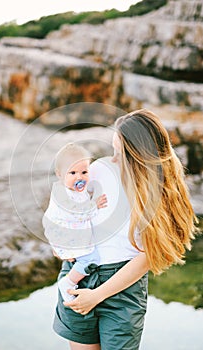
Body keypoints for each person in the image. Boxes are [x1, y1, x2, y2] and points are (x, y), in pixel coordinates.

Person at [52, 109, 198, 350]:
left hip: (122, 289)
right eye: (113, 150)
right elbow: (69, 210)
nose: (113, 159)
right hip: (78, 276)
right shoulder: (98, 170)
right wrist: (62, 242)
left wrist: (98, 295)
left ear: (141, 156)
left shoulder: (160, 194)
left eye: (121, 153)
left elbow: (148, 257)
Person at [42, 143, 107, 302]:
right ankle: (68, 282)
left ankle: (73, 260)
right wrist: (95, 205)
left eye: (84, 172)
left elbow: (82, 195)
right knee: (91, 259)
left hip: (67, 234)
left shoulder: (74, 189)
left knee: (79, 256)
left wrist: (90, 193)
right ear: (59, 174)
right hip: (64, 235)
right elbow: (77, 212)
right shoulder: (61, 194)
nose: (79, 177)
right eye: (72, 173)